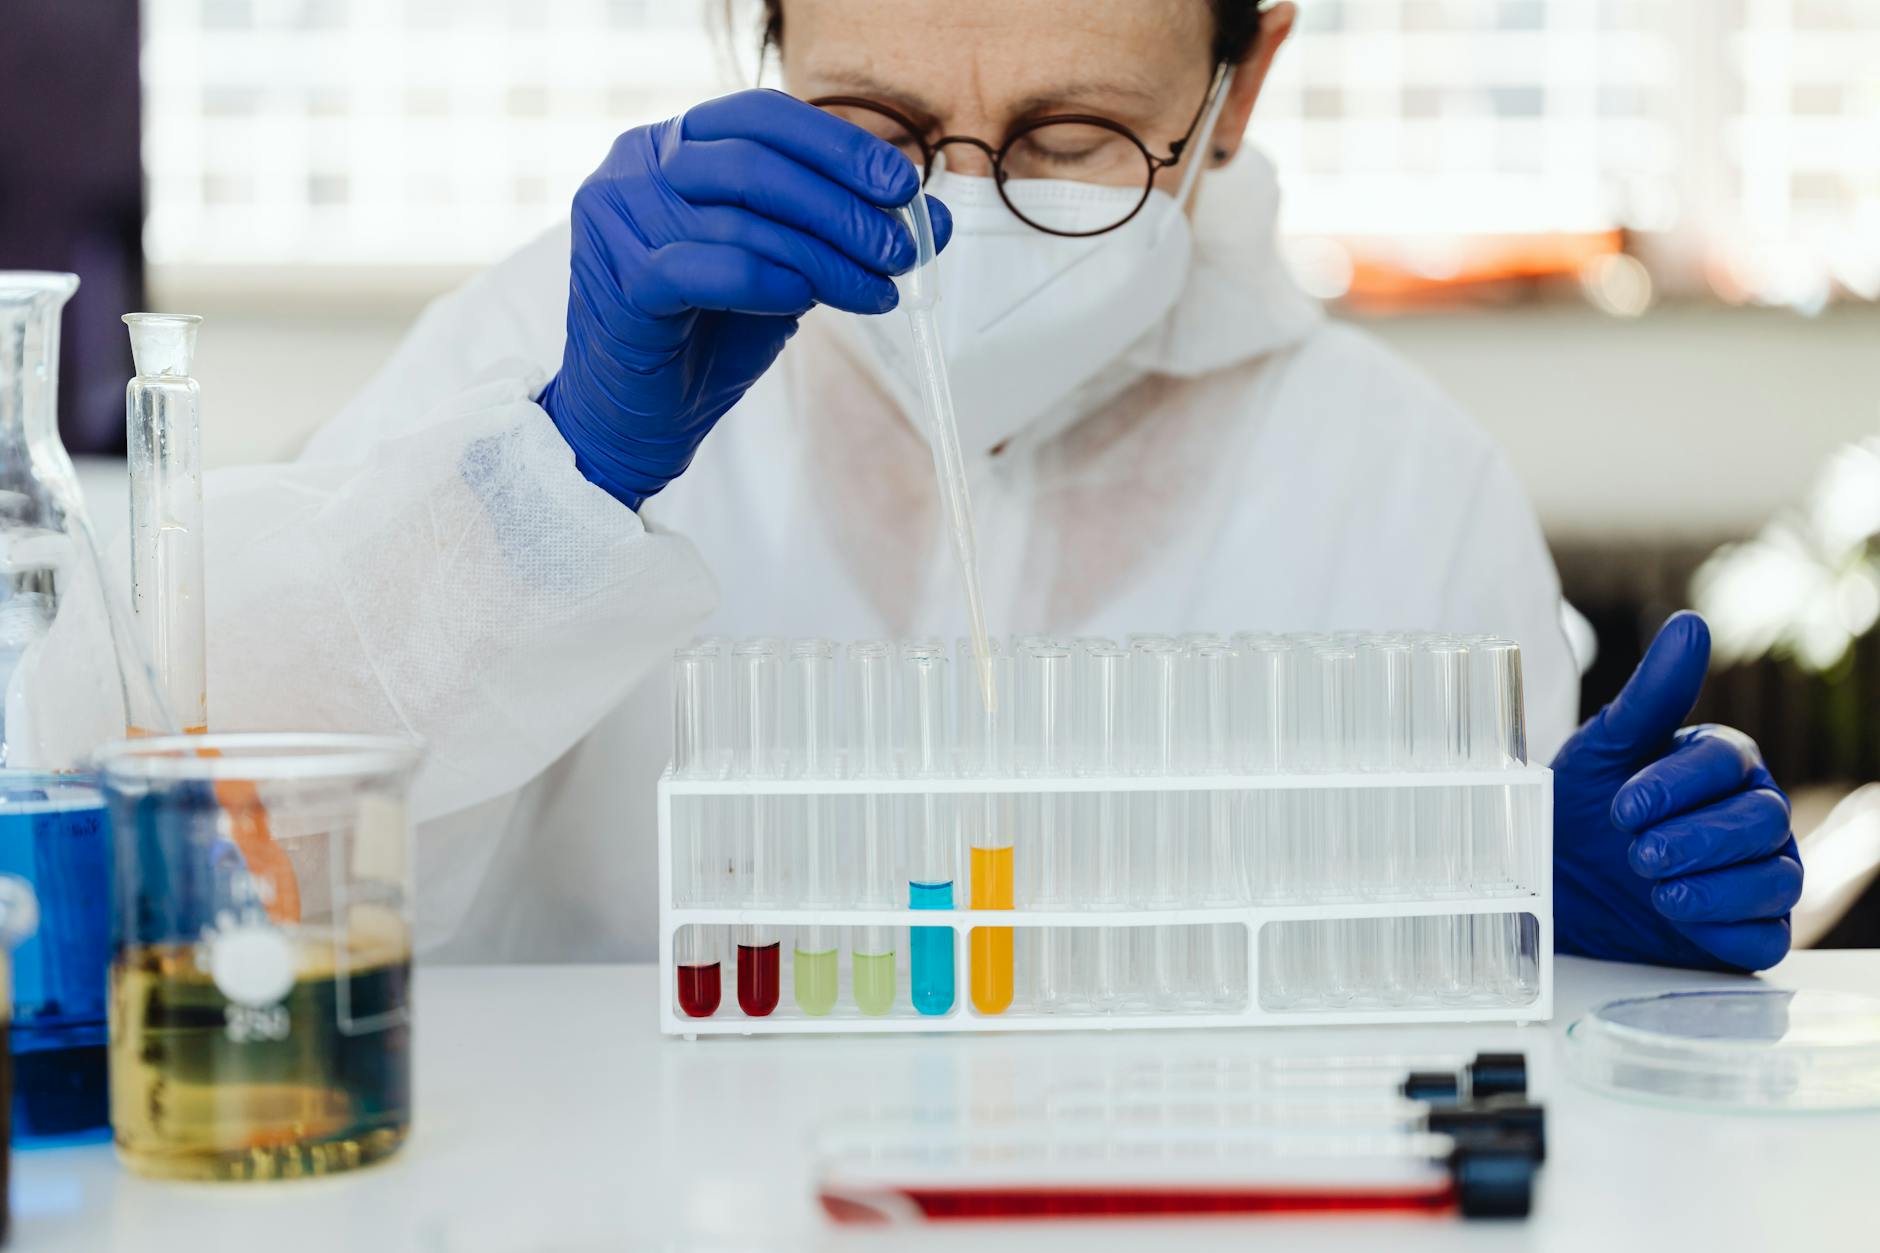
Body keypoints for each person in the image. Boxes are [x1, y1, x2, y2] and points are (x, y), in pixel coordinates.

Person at [197, 0, 1799, 970]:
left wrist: (1570, 932)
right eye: (873, 121)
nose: (955, 213)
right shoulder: (554, 339)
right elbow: (221, 857)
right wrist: (553, 479)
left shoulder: (1394, 482)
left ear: (1238, 91)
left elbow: (1473, 1071)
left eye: (1074, 137)